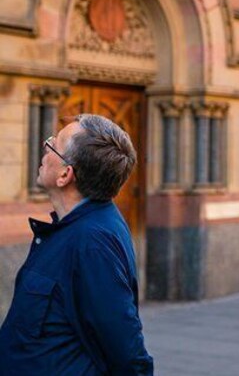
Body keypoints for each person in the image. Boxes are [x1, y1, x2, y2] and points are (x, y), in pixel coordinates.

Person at [0, 114, 153, 375]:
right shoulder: (76, 227)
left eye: (53, 145)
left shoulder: (93, 242)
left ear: (65, 174)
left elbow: (127, 351)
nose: (45, 149)